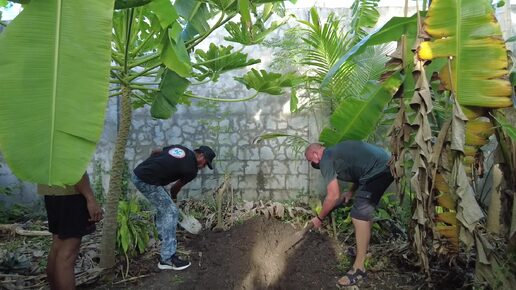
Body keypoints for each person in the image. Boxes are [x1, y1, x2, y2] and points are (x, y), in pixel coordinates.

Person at [305, 140, 393, 287]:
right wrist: (351, 192)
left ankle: (359, 269)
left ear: (315, 154)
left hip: (379, 171)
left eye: (310, 160)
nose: (311, 164)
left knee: (358, 215)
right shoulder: (335, 151)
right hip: (384, 166)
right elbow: (359, 168)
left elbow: (333, 195)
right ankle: (364, 251)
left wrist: (319, 218)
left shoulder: (326, 158)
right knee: (364, 213)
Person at [131, 144, 216, 270]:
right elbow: (175, 188)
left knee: (164, 207)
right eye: (205, 163)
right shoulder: (192, 169)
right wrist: (174, 200)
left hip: (140, 172)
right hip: (147, 181)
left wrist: (152, 164)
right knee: (170, 211)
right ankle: (167, 258)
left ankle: (162, 237)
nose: (203, 167)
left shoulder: (181, 148)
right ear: (201, 156)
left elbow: (156, 151)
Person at [39, 173, 103, 290]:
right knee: (67, 255)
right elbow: (75, 169)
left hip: (52, 191)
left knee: (57, 247)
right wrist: (90, 198)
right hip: (71, 193)